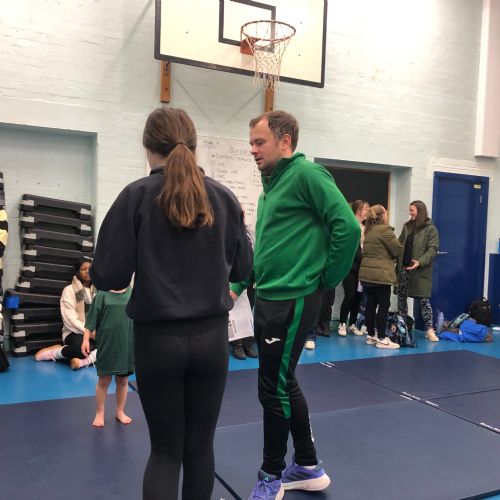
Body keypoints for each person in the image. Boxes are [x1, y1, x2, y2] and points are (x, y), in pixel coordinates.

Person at [89, 108, 252, 500]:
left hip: (158, 342)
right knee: (200, 448)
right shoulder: (223, 197)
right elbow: (244, 267)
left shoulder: (136, 197)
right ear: (192, 146)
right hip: (211, 341)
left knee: (165, 451)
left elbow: (108, 277)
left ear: (148, 148)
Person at [237, 110, 359, 499]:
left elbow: (348, 227)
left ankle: (271, 476)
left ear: (285, 141)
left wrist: (325, 279)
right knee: (283, 382)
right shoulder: (270, 187)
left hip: (292, 299)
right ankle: (307, 465)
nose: (253, 149)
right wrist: (238, 284)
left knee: (271, 389)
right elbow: (268, 248)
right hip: (270, 297)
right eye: (251, 142)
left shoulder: (307, 174)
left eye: (260, 142)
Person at [81, 287, 134, 427]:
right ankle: (99, 413)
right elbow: (91, 320)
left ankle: (120, 411)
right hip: (107, 345)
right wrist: (85, 339)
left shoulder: (132, 293)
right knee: (104, 381)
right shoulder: (102, 295)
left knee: (123, 380)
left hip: (125, 345)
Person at [34, 257, 97, 368]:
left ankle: (82, 361)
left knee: (113, 345)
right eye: (83, 269)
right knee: (82, 349)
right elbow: (70, 320)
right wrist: (89, 332)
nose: (88, 272)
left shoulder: (98, 291)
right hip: (74, 332)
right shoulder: (70, 290)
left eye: (90, 269)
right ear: (77, 272)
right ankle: (55, 352)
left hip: (95, 332)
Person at [358, 205, 402, 349]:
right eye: (386, 213)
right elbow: (397, 250)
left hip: (368, 274)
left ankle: (371, 335)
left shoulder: (368, 231)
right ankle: (382, 338)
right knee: (383, 305)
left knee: (370, 305)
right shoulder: (385, 230)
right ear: (382, 215)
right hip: (381, 274)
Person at [397, 200, 440, 342]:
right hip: (404, 268)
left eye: (412, 210)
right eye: (409, 210)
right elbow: (398, 244)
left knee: (424, 300)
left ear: (420, 211)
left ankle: (429, 330)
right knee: (401, 298)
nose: (410, 213)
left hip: (420, 270)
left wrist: (420, 262)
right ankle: (403, 327)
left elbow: (433, 249)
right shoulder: (407, 226)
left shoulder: (431, 229)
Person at [338, 200, 369, 337]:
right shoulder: (350, 226)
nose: (368, 212)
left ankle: (352, 324)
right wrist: (364, 258)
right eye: (366, 209)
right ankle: (342, 323)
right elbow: (352, 248)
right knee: (349, 295)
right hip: (349, 267)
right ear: (358, 211)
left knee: (358, 296)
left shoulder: (365, 228)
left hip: (361, 268)